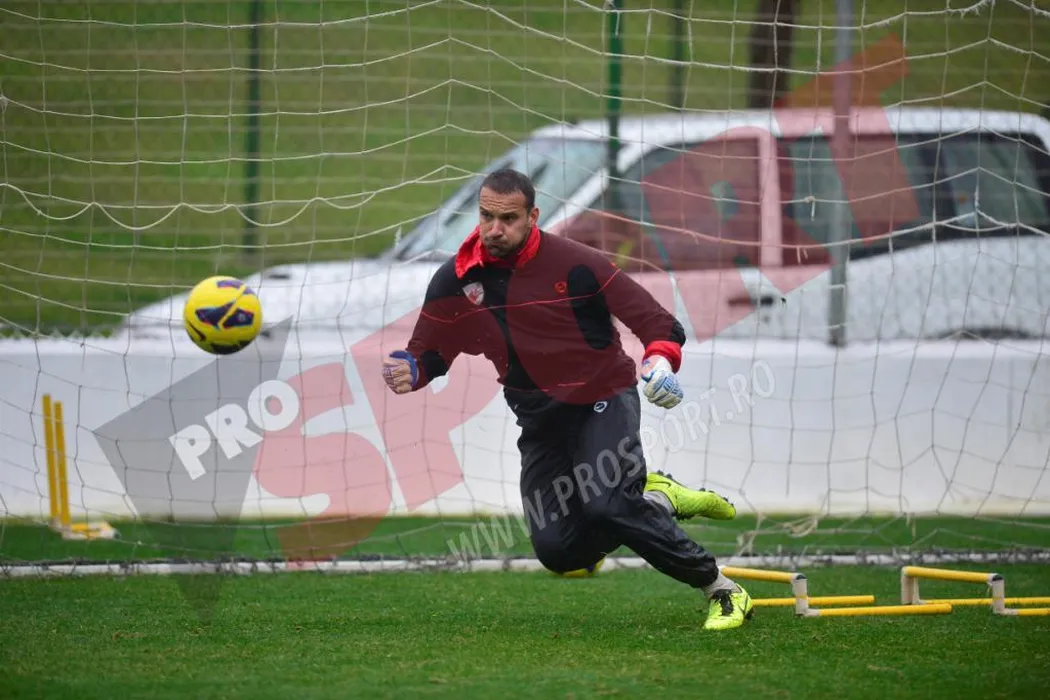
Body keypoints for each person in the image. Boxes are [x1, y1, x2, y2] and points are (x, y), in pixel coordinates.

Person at [382, 168, 754, 631]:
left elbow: (657, 322)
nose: (494, 229)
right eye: (486, 216)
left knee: (608, 504)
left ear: (533, 217)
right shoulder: (456, 280)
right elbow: (430, 352)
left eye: (508, 219)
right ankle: (657, 498)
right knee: (558, 551)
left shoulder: (577, 264)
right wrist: (412, 370)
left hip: (604, 398)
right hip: (540, 421)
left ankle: (722, 589)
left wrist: (659, 362)